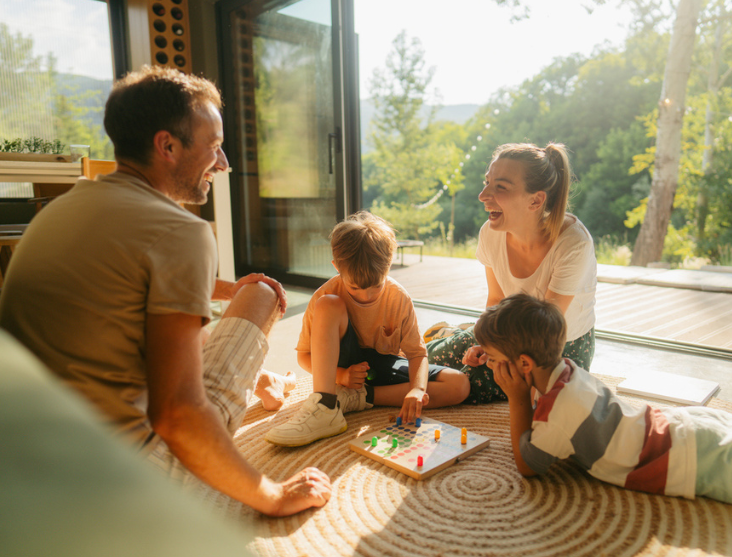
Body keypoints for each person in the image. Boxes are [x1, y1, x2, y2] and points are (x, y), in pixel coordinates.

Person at [0, 66, 330, 516]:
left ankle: (260, 380)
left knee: (213, 310)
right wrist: (273, 496)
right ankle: (257, 385)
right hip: (120, 479)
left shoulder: (63, 209)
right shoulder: (181, 232)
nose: (223, 163)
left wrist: (224, 288)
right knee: (262, 296)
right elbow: (178, 416)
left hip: (27, 455)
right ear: (167, 146)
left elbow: (128, 278)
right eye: (214, 147)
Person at [476, 293, 732, 519]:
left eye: (493, 359)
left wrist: (517, 398)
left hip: (695, 459)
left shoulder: (556, 415)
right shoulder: (568, 371)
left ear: (524, 365)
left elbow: (527, 465)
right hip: (694, 425)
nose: (491, 364)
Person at [265, 211, 470, 447]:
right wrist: (341, 375)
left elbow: (417, 353)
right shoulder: (324, 295)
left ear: (389, 264)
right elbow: (304, 356)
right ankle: (326, 405)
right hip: (342, 368)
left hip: (383, 366)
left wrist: (416, 389)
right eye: (354, 287)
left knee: (460, 385)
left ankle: (359, 399)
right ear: (336, 267)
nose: (367, 295)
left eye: (376, 286)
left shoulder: (399, 297)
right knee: (328, 305)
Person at [426, 142, 597, 404]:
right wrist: (484, 342)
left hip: (554, 347)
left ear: (536, 200)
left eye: (500, 187)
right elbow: (495, 299)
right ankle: (452, 336)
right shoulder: (490, 233)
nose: (483, 195)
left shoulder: (574, 243)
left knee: (465, 382)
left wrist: (494, 351)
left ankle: (453, 334)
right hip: (508, 332)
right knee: (428, 358)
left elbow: (545, 329)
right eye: (487, 183)